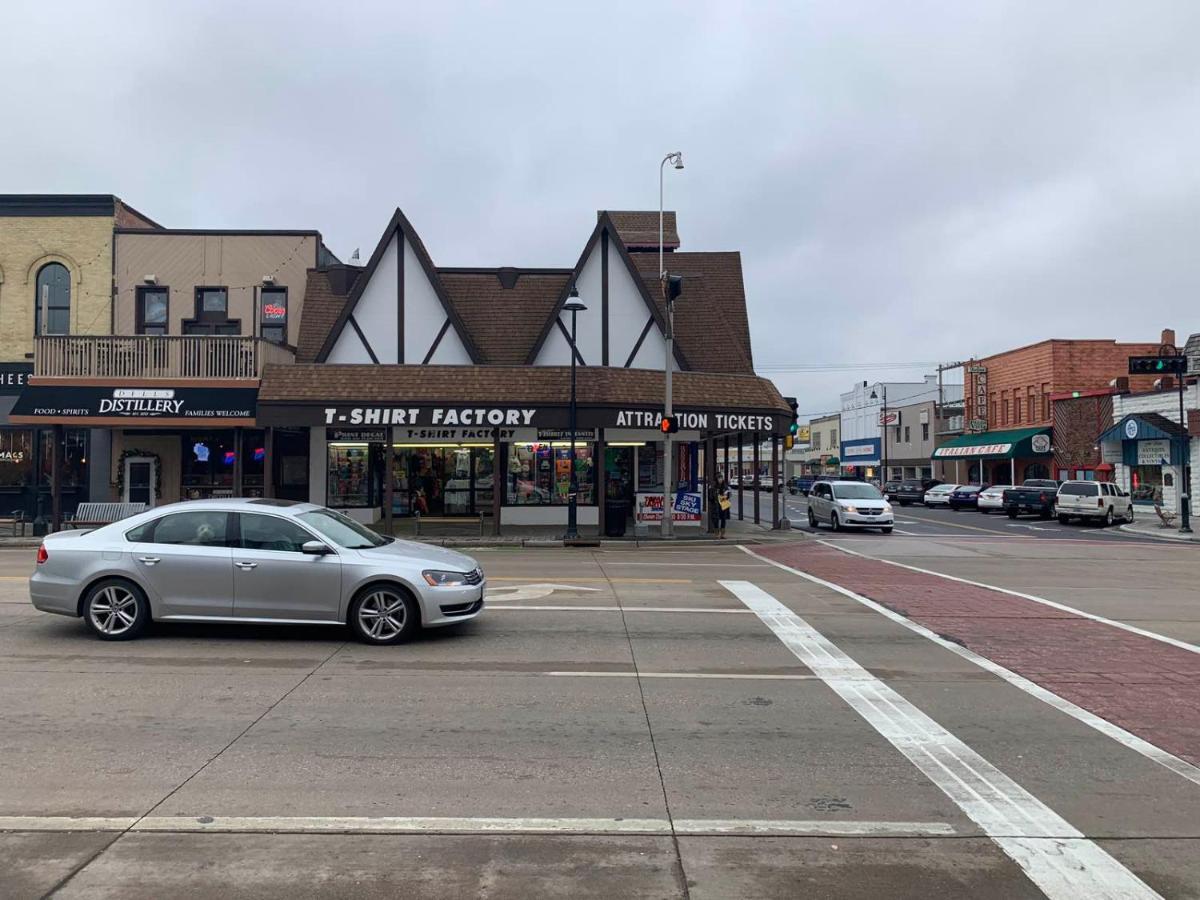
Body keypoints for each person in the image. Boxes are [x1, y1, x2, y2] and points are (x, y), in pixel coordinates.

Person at [710, 471, 732, 539]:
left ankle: (722, 534)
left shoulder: (725, 486)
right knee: (716, 519)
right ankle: (716, 533)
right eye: (719, 478)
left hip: (723, 504)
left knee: (723, 519)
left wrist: (726, 496)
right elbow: (710, 497)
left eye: (721, 478)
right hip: (716, 505)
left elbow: (729, 495)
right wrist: (714, 498)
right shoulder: (713, 487)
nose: (720, 479)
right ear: (716, 479)